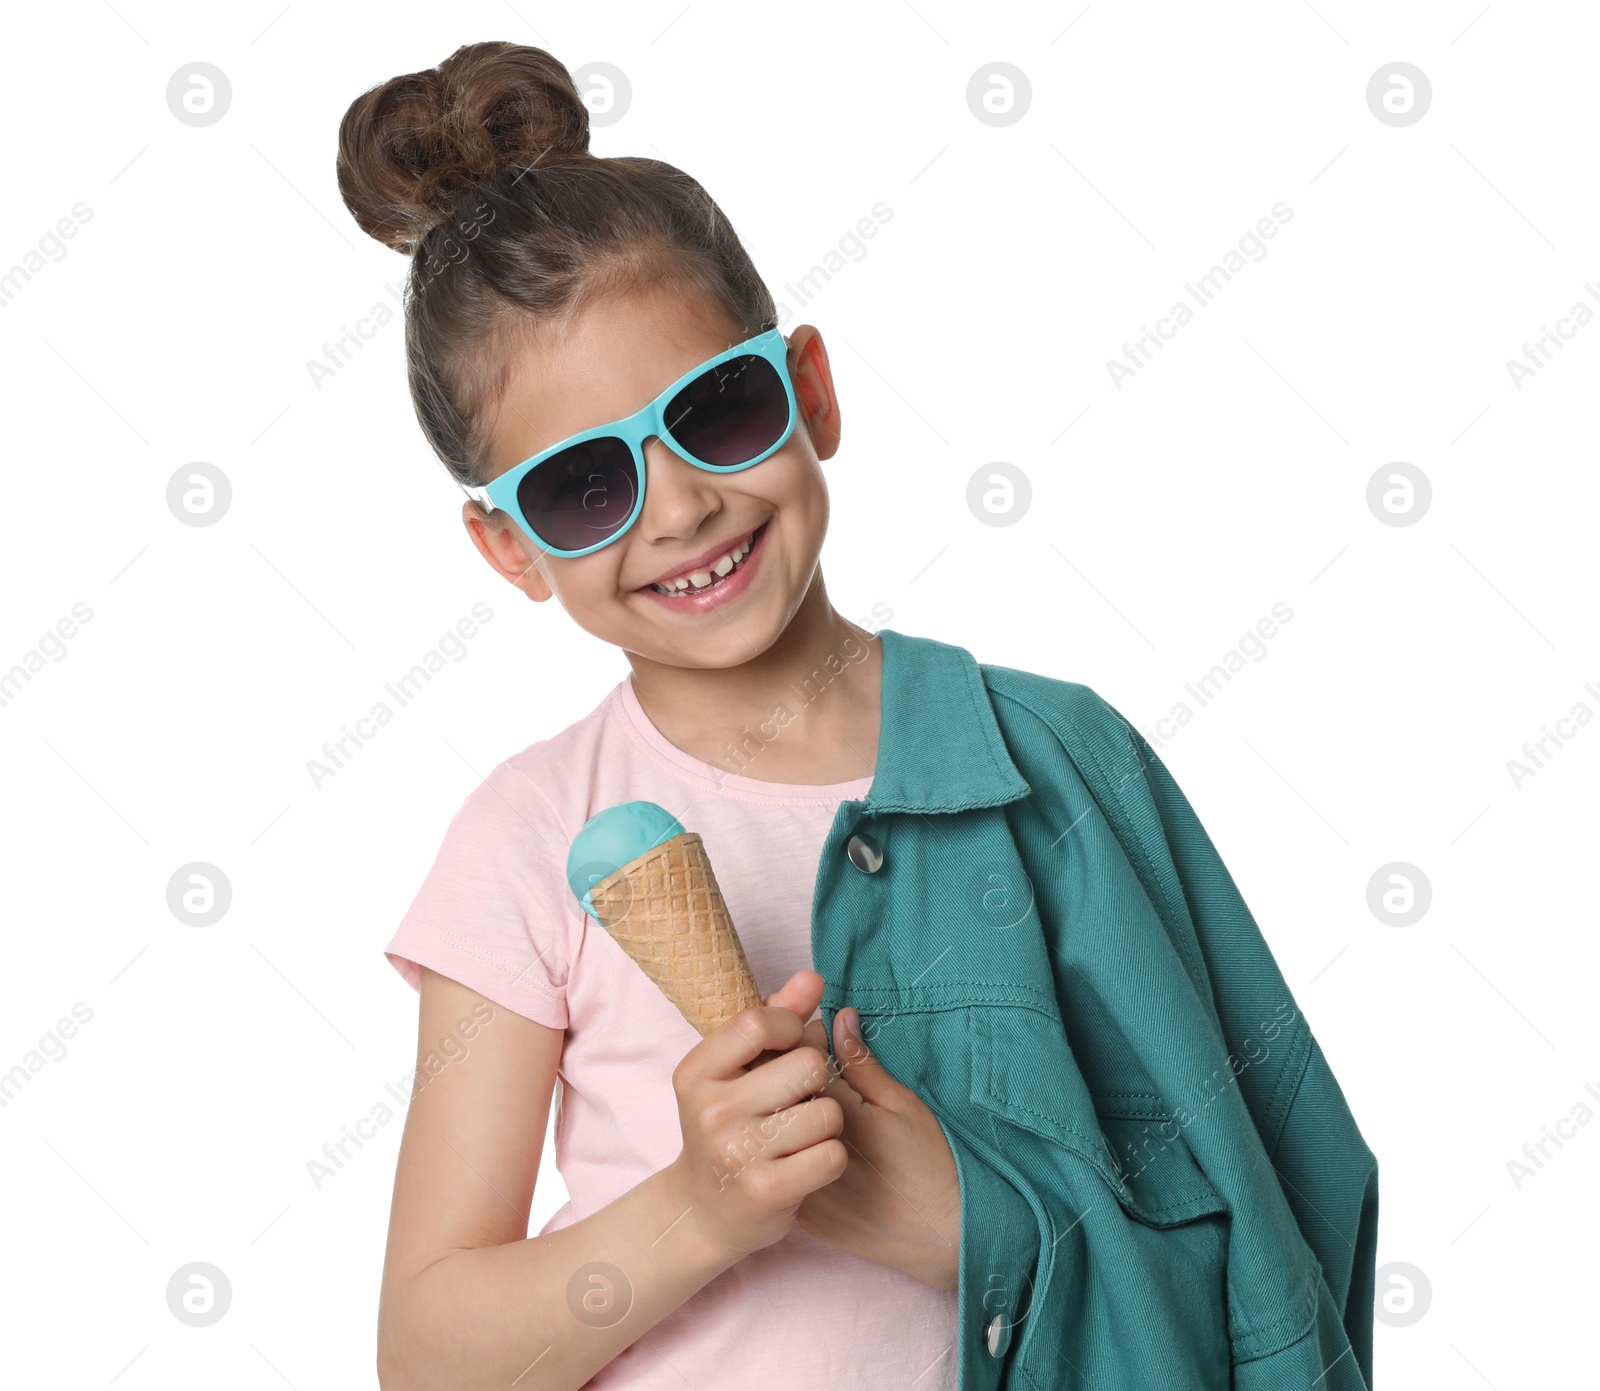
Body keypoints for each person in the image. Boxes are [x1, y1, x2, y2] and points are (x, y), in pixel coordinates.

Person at [336, 41, 1377, 1391]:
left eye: (717, 411)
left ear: (809, 390)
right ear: (512, 550)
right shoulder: (532, 838)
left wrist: (987, 1229)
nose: (679, 509)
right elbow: (430, 1356)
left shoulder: (1057, 767)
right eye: (585, 488)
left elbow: (1279, 1225)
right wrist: (699, 1211)